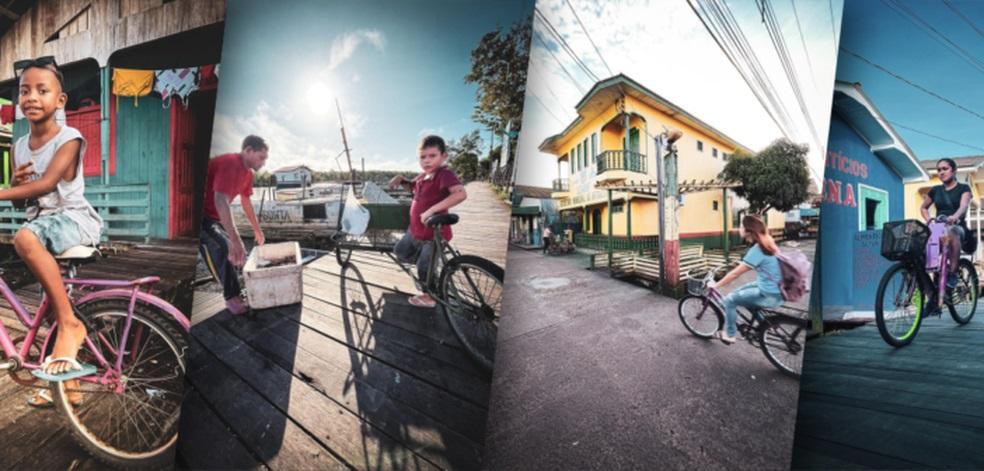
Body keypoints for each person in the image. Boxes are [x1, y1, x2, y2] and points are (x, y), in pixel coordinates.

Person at [8, 58, 103, 406]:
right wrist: (15, 185)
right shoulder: (18, 146)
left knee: (24, 238)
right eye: (24, 91)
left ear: (60, 100)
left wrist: (7, 189)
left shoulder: (70, 138)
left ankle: (71, 324)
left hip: (73, 219)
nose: (31, 97)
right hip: (42, 223)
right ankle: (68, 386)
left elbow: (47, 184)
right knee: (48, 297)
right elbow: (24, 201)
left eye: (42, 90)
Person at [388, 135, 467, 308]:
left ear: (443, 156)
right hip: (415, 231)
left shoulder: (443, 174)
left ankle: (430, 297)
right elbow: (412, 188)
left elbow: (460, 193)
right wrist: (401, 179)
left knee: (425, 268)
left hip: (434, 235)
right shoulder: (423, 176)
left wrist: (431, 210)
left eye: (432, 156)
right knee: (400, 252)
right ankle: (431, 269)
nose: (427, 161)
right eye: (423, 157)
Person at [200, 135, 268, 315]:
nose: (263, 163)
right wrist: (235, 239)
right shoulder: (230, 162)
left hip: (216, 217)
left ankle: (239, 289)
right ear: (248, 151)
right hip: (201, 217)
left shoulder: (248, 174)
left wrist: (257, 229)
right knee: (226, 247)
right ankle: (232, 299)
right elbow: (220, 199)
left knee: (239, 252)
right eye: (261, 157)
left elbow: (246, 202)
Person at [708, 215, 784, 344]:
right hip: (775, 287)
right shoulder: (767, 241)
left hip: (769, 294)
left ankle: (730, 335)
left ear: (748, 230)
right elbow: (764, 263)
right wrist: (743, 263)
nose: (739, 228)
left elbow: (734, 275)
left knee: (730, 300)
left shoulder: (758, 249)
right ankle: (765, 324)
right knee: (740, 291)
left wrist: (715, 285)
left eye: (741, 226)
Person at [920, 158, 971, 294]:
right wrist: (929, 219)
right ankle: (931, 295)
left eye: (945, 169)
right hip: (938, 226)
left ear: (954, 171)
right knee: (919, 250)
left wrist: (955, 216)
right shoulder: (935, 190)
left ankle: (953, 274)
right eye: (939, 170)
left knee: (951, 231)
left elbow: (964, 205)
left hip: (958, 226)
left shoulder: (963, 188)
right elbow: (924, 207)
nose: (941, 172)